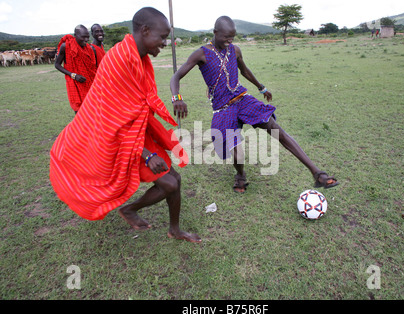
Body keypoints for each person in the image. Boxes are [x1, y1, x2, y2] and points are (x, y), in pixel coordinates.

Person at [50, 7, 201, 243]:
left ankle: (169, 227)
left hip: (135, 131)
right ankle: (142, 215)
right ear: (145, 30)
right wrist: (148, 155)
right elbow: (109, 120)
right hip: (116, 138)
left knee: (174, 180)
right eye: (162, 37)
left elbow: (137, 104)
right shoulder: (119, 60)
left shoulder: (137, 56)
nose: (164, 43)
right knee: (170, 183)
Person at [170, 16, 338, 193]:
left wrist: (261, 87)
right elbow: (175, 77)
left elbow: (244, 71)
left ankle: (317, 173)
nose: (229, 41)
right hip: (222, 108)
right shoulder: (201, 54)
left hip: (242, 99)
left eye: (232, 37)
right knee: (236, 151)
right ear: (215, 32)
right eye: (226, 37)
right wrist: (177, 98)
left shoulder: (235, 50)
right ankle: (240, 175)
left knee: (276, 129)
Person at [55, 25, 97, 114]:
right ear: (75, 35)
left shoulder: (89, 48)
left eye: (88, 37)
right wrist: (73, 75)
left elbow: (92, 67)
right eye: (83, 37)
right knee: (79, 112)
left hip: (89, 83)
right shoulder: (65, 46)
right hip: (74, 83)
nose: (86, 40)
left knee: (92, 110)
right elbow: (57, 65)